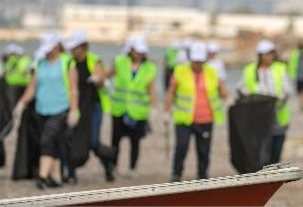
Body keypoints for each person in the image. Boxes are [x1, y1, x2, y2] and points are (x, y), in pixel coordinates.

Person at [13, 33, 79, 189]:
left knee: (47, 140)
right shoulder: (40, 63)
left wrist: (74, 110)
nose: (48, 51)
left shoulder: (67, 62)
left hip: (61, 109)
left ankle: (42, 176)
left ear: (57, 46)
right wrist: (21, 103)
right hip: (42, 110)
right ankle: (55, 178)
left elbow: (74, 89)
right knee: (53, 144)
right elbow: (32, 88)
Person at [163, 42, 229, 182]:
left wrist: (229, 99)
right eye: (195, 61)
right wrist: (166, 111)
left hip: (205, 119)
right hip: (183, 119)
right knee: (181, 147)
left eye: (200, 61)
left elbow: (222, 91)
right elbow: (171, 92)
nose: (198, 64)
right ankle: (176, 174)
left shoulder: (212, 72)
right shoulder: (180, 71)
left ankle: (203, 176)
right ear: (190, 58)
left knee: (204, 151)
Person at [64, 30, 116, 183]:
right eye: (71, 48)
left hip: (94, 107)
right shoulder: (70, 63)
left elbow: (101, 79)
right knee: (71, 139)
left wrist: (97, 79)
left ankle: (108, 164)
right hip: (76, 106)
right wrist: (73, 110)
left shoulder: (94, 60)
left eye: (75, 48)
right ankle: (71, 174)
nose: (73, 51)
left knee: (93, 142)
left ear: (83, 47)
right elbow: (72, 87)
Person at [106, 37, 157, 173]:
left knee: (135, 141)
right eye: (136, 51)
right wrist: (100, 80)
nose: (139, 54)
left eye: (141, 52)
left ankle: (132, 168)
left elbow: (151, 88)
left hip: (138, 111)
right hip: (119, 108)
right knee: (115, 140)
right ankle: (113, 166)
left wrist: (153, 107)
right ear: (130, 50)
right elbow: (108, 75)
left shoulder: (149, 67)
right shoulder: (120, 62)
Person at [238, 39, 292, 165]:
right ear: (259, 55)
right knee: (261, 146)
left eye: (270, 54)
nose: (268, 57)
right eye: (265, 54)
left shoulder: (280, 68)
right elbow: (241, 88)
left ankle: (274, 166)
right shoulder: (249, 70)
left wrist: (278, 99)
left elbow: (287, 90)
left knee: (276, 145)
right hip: (258, 117)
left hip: (277, 115)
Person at [5, 44, 31, 110]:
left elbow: (23, 72)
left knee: (19, 104)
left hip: (20, 85)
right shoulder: (16, 60)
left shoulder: (23, 60)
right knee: (15, 104)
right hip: (16, 85)